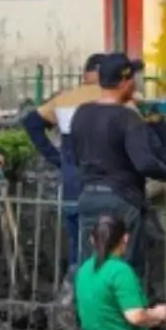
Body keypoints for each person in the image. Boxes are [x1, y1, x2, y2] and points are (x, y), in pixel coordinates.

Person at [72, 54, 166, 294]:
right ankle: (127, 322)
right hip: (121, 199)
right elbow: (145, 162)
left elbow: (77, 155)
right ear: (125, 82)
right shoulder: (127, 118)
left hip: (88, 197)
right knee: (125, 269)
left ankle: (93, 320)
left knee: (92, 265)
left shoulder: (82, 113)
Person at [21, 53, 102, 267]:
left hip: (72, 185)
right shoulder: (116, 98)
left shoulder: (65, 99)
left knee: (77, 244)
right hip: (106, 189)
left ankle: (76, 290)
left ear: (85, 74)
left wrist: (56, 158)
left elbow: (31, 122)